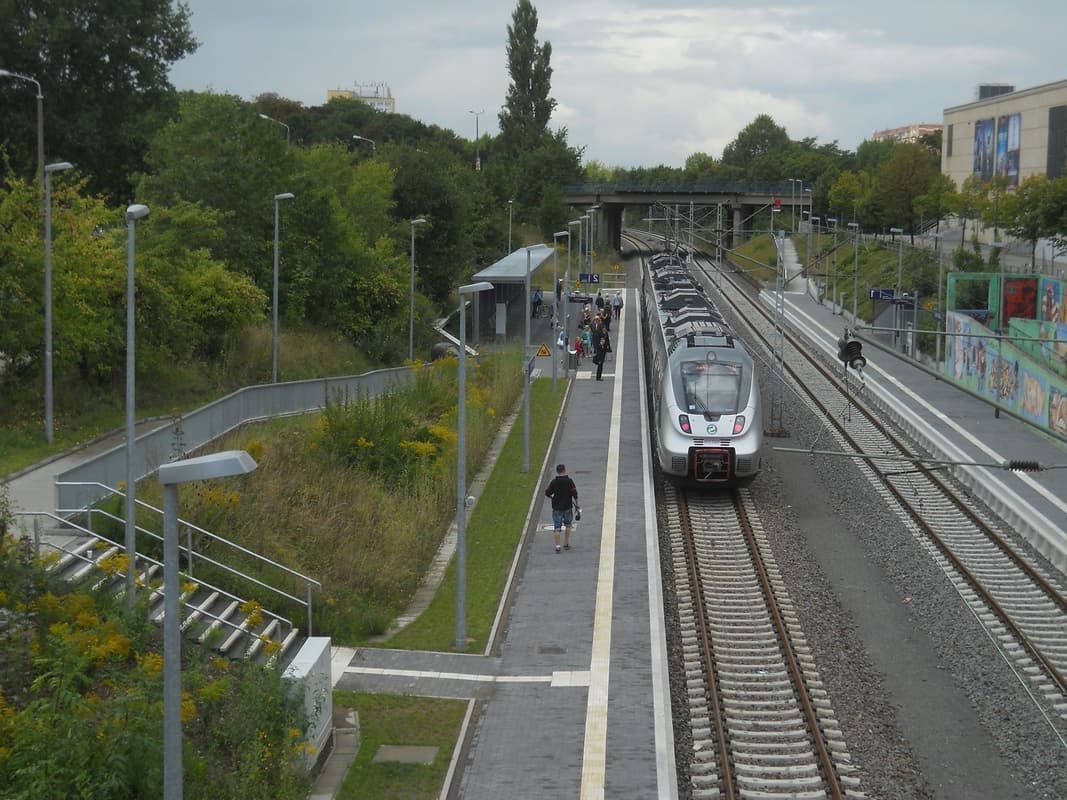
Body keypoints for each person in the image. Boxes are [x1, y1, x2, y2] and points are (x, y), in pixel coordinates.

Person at [544, 463, 579, 552]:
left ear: (557, 471)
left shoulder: (554, 482)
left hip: (556, 508)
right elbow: (574, 494)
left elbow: (547, 492)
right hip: (567, 507)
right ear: (564, 470)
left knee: (557, 527)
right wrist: (577, 505)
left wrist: (552, 497)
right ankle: (566, 543)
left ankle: (557, 546)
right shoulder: (569, 481)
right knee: (568, 525)